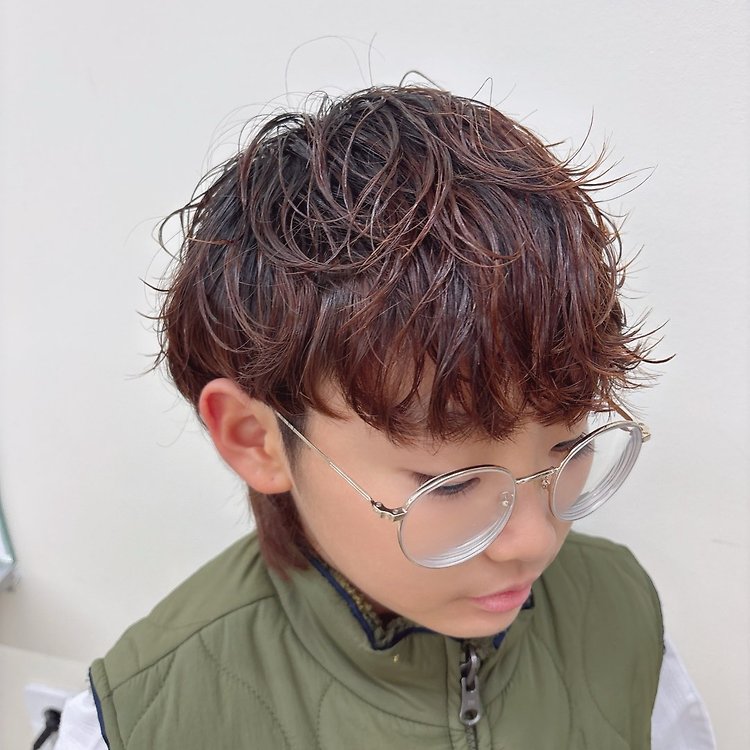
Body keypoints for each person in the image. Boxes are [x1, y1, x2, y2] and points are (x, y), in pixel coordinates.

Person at [57, 83, 715, 749]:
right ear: (256, 438)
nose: (533, 541)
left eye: (569, 451)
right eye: (451, 483)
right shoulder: (141, 721)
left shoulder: (622, 611)